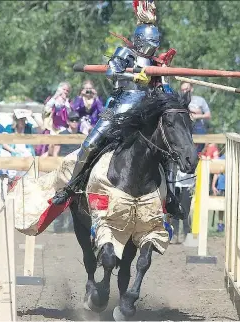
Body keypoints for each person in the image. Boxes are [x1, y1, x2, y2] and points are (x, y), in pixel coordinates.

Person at [50, 1, 184, 221]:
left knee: (170, 147)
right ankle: (71, 187)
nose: (153, 47)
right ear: (140, 40)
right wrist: (134, 76)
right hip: (120, 107)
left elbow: (165, 89)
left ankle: (170, 196)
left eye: (155, 43)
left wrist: (164, 80)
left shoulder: (157, 62)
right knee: (91, 143)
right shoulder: (125, 52)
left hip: (146, 112)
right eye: (150, 43)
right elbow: (112, 73)